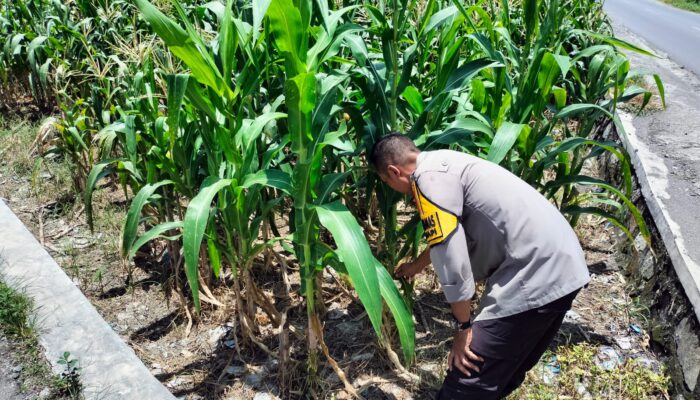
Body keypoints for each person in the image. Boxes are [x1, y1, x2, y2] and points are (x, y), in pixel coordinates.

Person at [369, 133, 590, 399]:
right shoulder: (446, 162)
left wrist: (463, 326)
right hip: (565, 263)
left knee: (468, 378)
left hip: (534, 270)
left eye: (386, 181)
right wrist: (416, 266)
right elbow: (451, 230)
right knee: (502, 373)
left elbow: (451, 255)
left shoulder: (426, 181)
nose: (391, 188)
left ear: (394, 171)